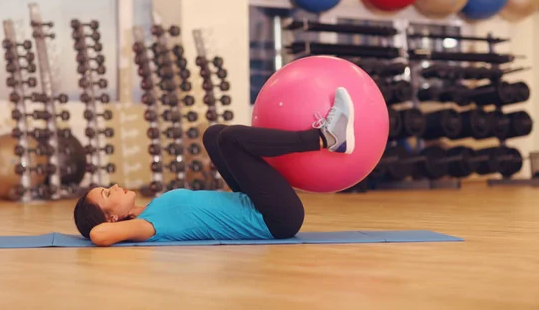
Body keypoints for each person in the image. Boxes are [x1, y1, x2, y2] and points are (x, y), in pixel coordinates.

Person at [73, 87, 355, 247]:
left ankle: (326, 136)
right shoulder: (146, 227)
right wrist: (122, 225)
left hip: (254, 204)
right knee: (232, 139)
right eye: (107, 195)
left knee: (214, 135)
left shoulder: (147, 213)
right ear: (111, 219)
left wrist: (128, 212)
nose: (113, 187)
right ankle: (325, 137)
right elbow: (99, 234)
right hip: (275, 220)